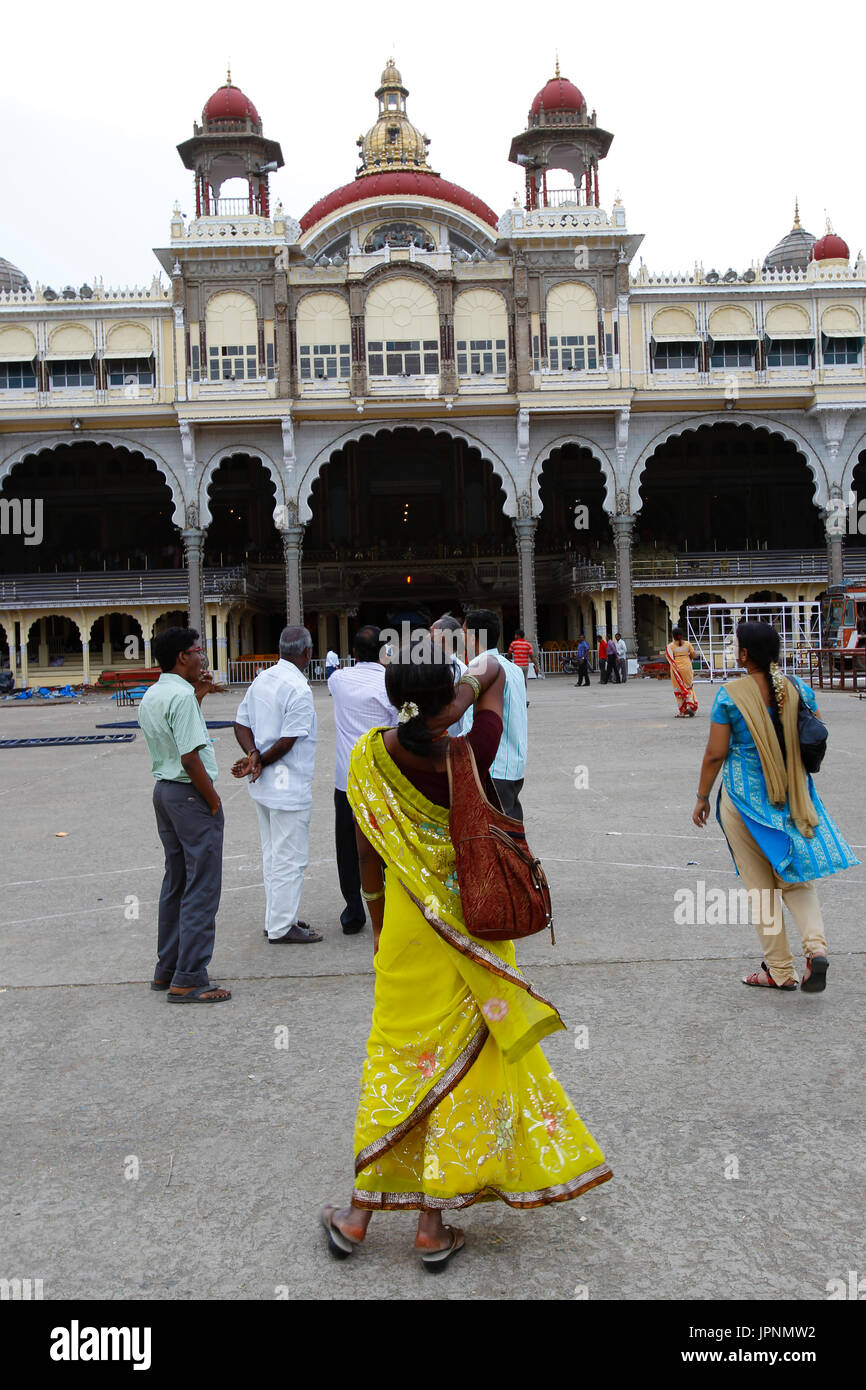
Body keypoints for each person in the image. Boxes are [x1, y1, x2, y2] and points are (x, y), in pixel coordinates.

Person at [320, 642, 611, 1266]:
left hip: (403, 927)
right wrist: (463, 693)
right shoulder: (470, 751)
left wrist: (376, 921)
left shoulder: (369, 756)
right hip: (472, 931)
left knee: (395, 1062)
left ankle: (356, 1217)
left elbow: (367, 855)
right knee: (460, 1070)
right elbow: (496, 674)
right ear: (445, 698)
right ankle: (431, 1225)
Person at [693, 620, 858, 990]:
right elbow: (813, 731)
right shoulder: (797, 687)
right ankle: (815, 949)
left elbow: (715, 754)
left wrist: (703, 797)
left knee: (761, 889)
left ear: (746, 654)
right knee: (797, 879)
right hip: (793, 796)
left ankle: (780, 971)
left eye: (736, 645)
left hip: (744, 802)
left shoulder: (729, 696)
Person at [137, 627, 231, 1002]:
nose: (203, 658)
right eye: (197, 652)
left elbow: (178, 738)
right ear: (182, 657)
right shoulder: (181, 697)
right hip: (190, 795)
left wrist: (201, 694)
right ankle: (189, 976)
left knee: (176, 882)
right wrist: (214, 801)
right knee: (202, 886)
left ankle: (168, 968)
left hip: (165, 792)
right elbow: (191, 757)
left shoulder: (156, 693)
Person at [231, 626, 321, 944]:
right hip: (287, 785)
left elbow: (240, 723)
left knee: (273, 855)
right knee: (291, 858)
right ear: (307, 653)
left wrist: (253, 754)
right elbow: (287, 742)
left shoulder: (262, 678)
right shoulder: (298, 688)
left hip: (264, 785)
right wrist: (259, 759)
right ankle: (282, 927)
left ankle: (278, 917)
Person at [329, 625, 399, 935]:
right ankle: (391, 905)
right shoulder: (389, 682)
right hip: (381, 776)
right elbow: (400, 723)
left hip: (347, 777)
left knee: (347, 845)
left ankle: (353, 910)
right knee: (387, 843)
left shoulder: (338, 680)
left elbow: (331, 665)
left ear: (354, 653)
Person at [463, 609, 528, 821]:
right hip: (513, 765)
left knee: (493, 839)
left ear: (473, 637)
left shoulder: (479, 669)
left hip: (493, 769)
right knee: (509, 833)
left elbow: (469, 723)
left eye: (464, 633)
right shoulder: (513, 669)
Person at [430, 613, 466, 735]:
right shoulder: (429, 666)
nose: (427, 637)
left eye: (431, 633)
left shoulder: (461, 671)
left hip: (450, 741)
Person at [666, 626, 698, 716]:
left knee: (679, 689)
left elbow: (669, 658)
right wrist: (687, 658)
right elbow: (694, 655)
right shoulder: (687, 644)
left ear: (673, 636)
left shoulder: (670, 646)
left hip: (676, 670)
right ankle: (690, 705)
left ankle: (682, 711)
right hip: (687, 667)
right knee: (688, 687)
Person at [507, 627, 538, 705]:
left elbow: (509, 654)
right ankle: (525, 699)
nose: (514, 636)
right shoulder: (528, 644)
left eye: (515, 634)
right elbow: (532, 656)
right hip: (525, 666)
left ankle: (520, 700)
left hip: (517, 666)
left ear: (518, 635)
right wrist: (536, 666)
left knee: (517, 683)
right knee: (524, 683)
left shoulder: (513, 644)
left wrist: (509, 661)